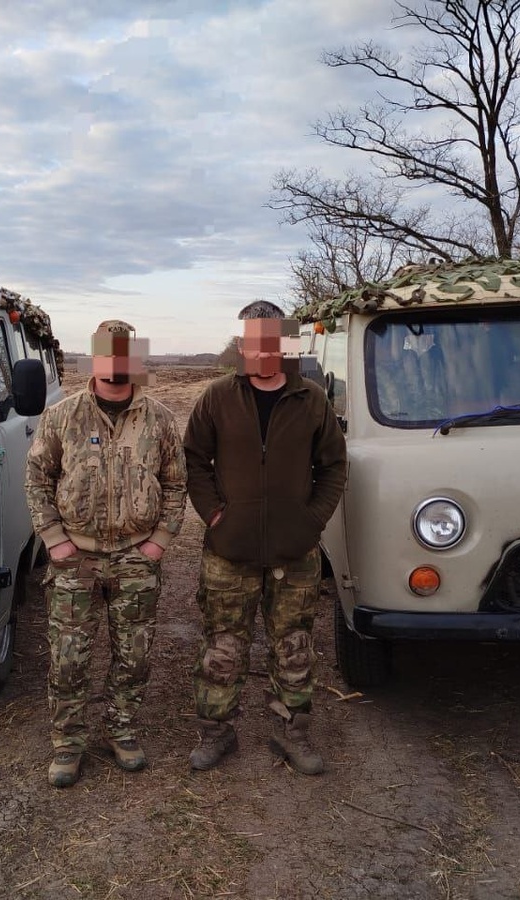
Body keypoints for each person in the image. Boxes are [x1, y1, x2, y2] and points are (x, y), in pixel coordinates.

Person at [183, 301, 347, 775]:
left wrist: (312, 519)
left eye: (272, 340)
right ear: (242, 346)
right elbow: (194, 460)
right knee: (223, 646)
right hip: (229, 551)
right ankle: (216, 733)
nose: (262, 350)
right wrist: (215, 514)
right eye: (253, 340)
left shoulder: (312, 399)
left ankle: (291, 734)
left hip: (294, 553)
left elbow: (334, 465)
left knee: (294, 645)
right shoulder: (216, 397)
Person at [25, 319, 187, 788]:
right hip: (76, 557)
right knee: (69, 656)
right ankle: (68, 743)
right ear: (94, 359)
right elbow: (37, 479)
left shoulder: (158, 418)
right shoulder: (62, 416)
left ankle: (122, 730)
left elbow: (175, 484)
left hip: (137, 556)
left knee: (133, 655)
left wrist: (160, 540)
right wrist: (54, 538)